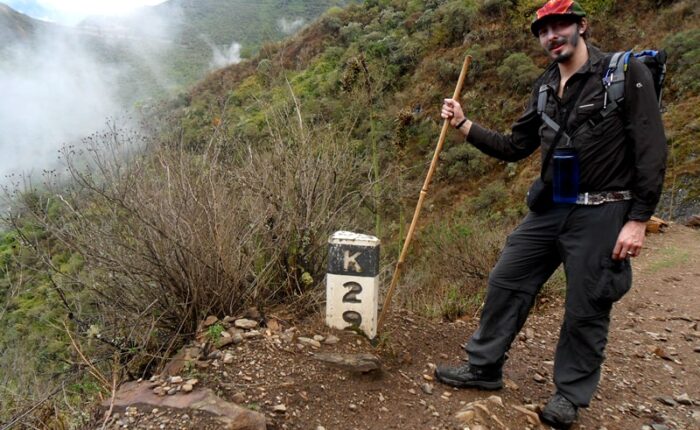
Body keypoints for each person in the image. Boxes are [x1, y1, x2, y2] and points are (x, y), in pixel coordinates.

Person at [435, 0, 667, 428]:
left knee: (587, 304)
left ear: (582, 26)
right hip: (550, 207)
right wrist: (464, 125)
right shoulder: (544, 87)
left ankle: (569, 395)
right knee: (506, 278)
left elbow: (652, 148)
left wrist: (638, 219)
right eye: (543, 30)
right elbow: (513, 147)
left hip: (604, 209)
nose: (551, 36)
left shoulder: (623, 73)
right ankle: (484, 368)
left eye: (560, 25)